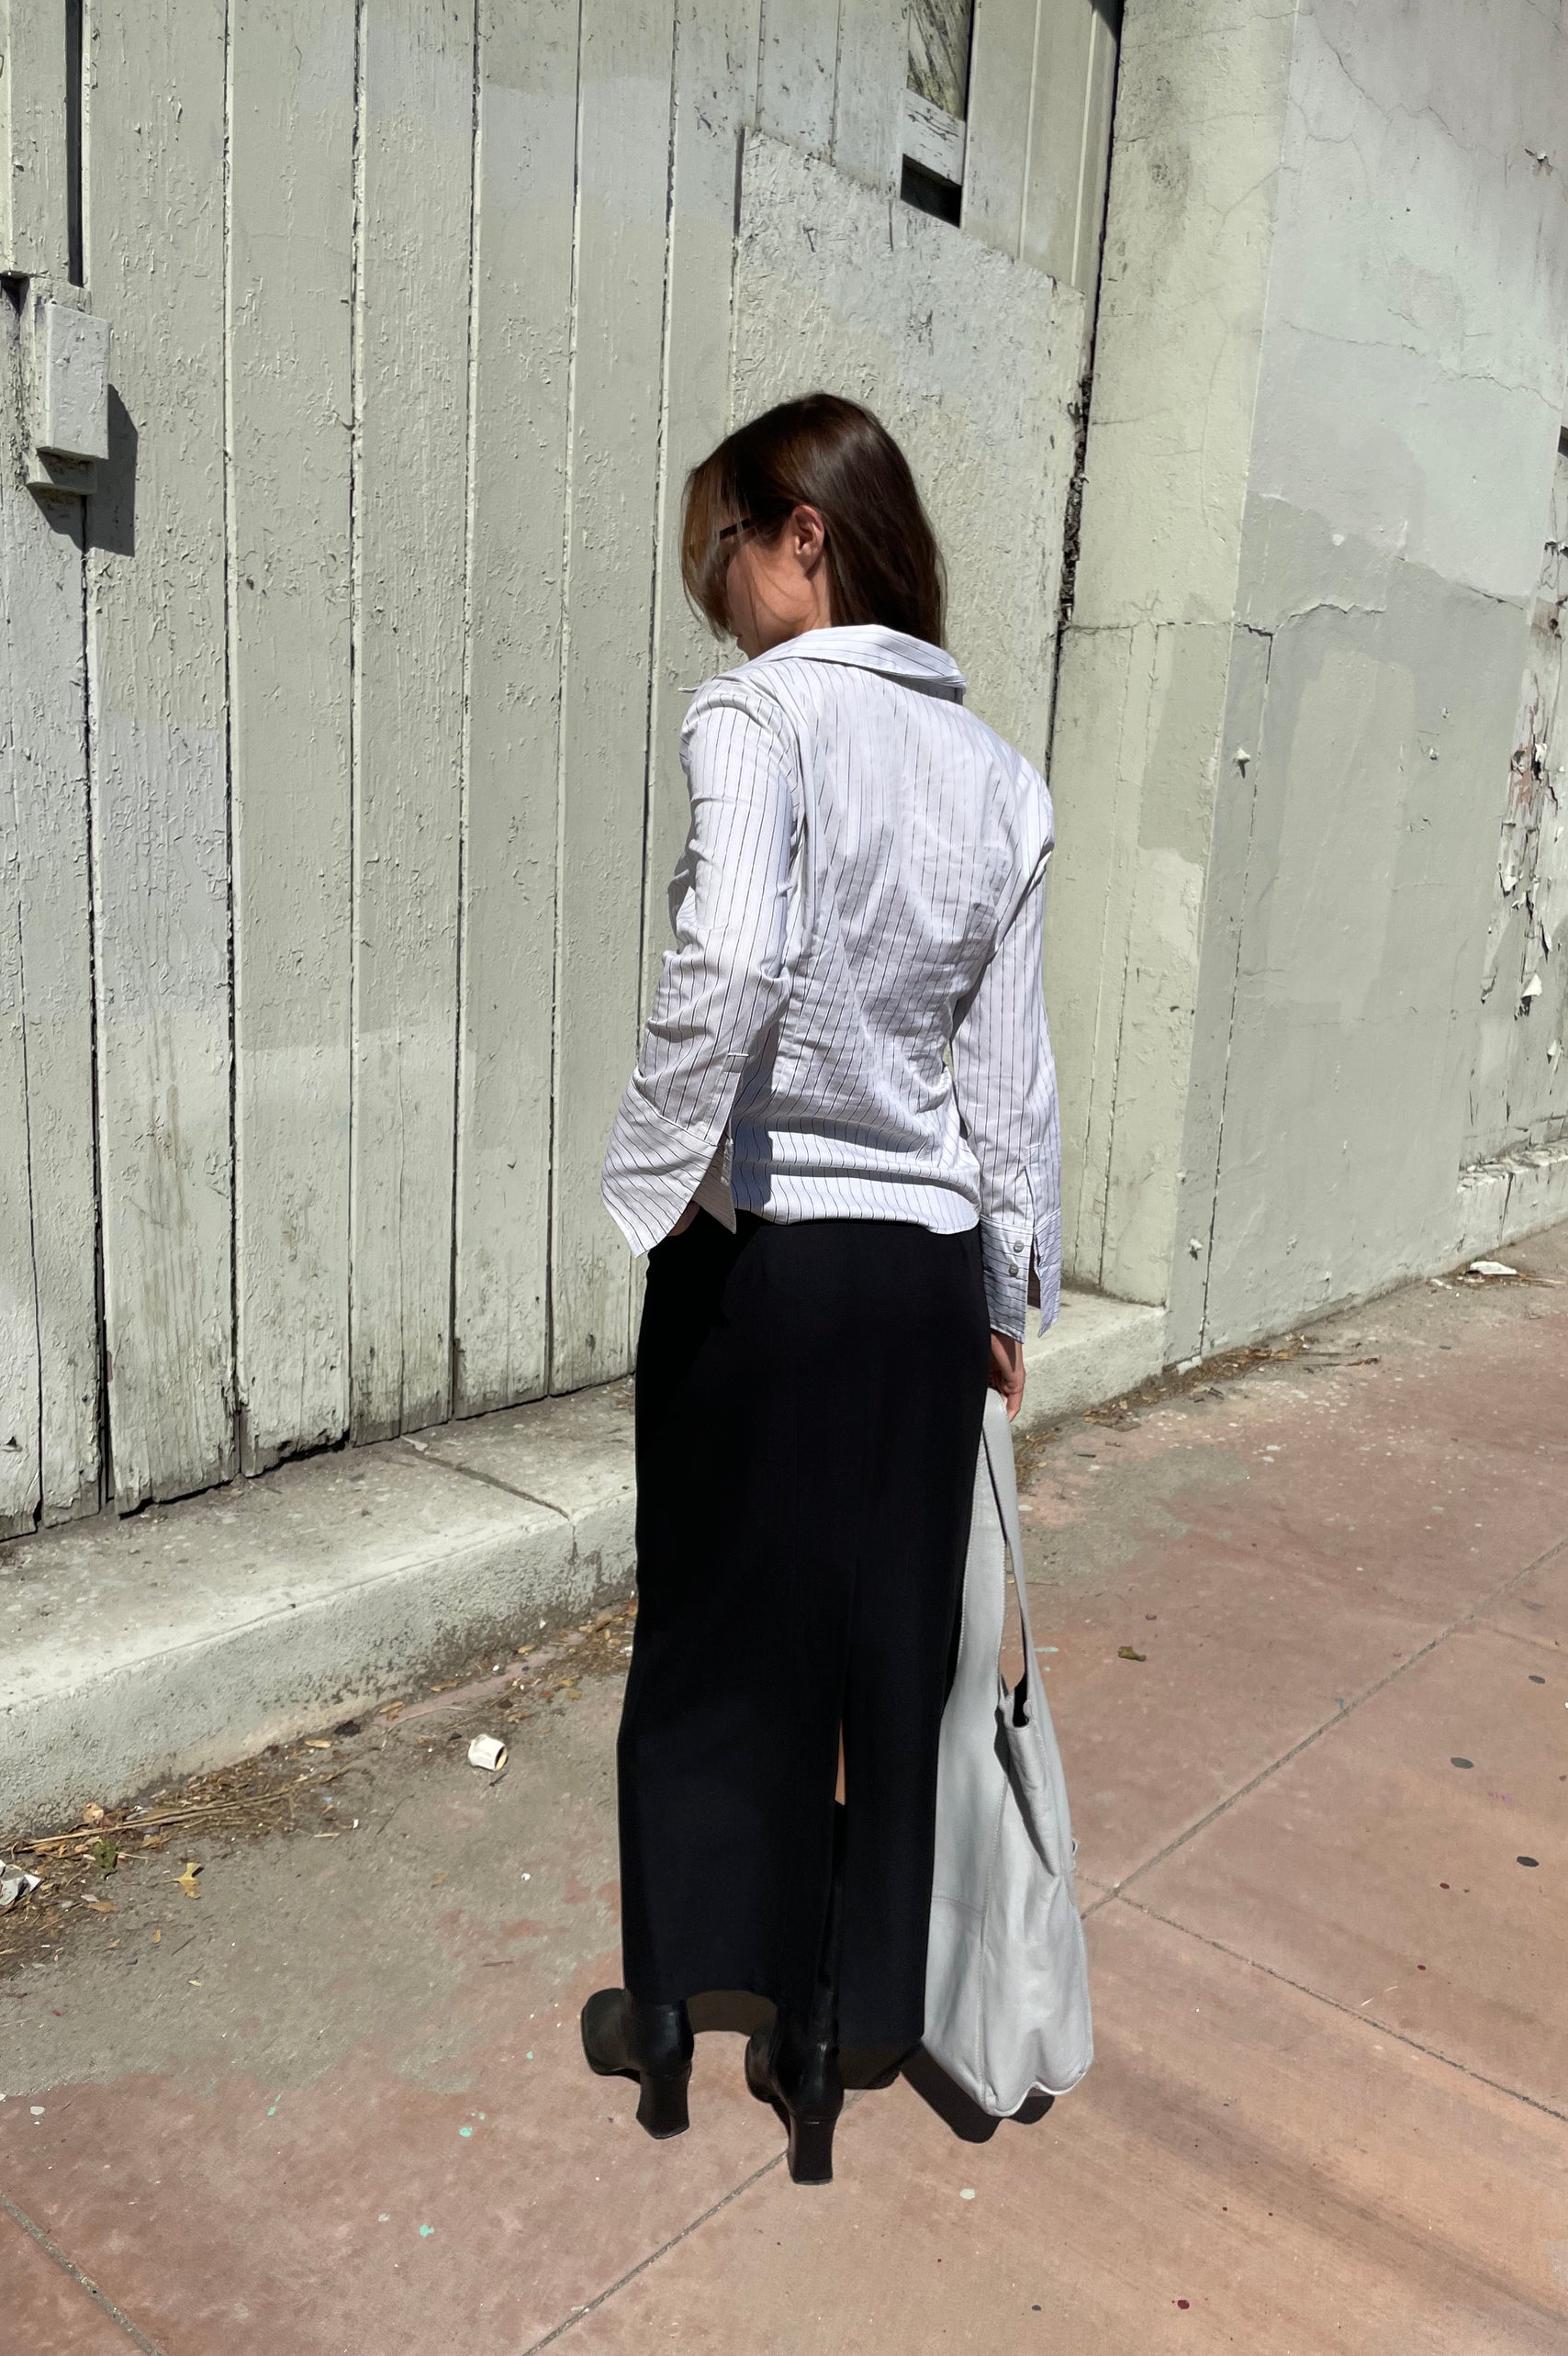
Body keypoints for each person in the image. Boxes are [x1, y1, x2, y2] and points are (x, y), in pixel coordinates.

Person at [582, 392, 1061, 2185]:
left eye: (721, 546)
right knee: (881, 1647)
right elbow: (1011, 1079)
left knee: (717, 1632)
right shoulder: (999, 775)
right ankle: (829, 2025)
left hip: (767, 1264)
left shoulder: (758, 712)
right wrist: (1016, 1286)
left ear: (804, 537)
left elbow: (733, 949)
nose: (709, 589)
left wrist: (663, 1182)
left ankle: (676, 2012)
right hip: (923, 1281)